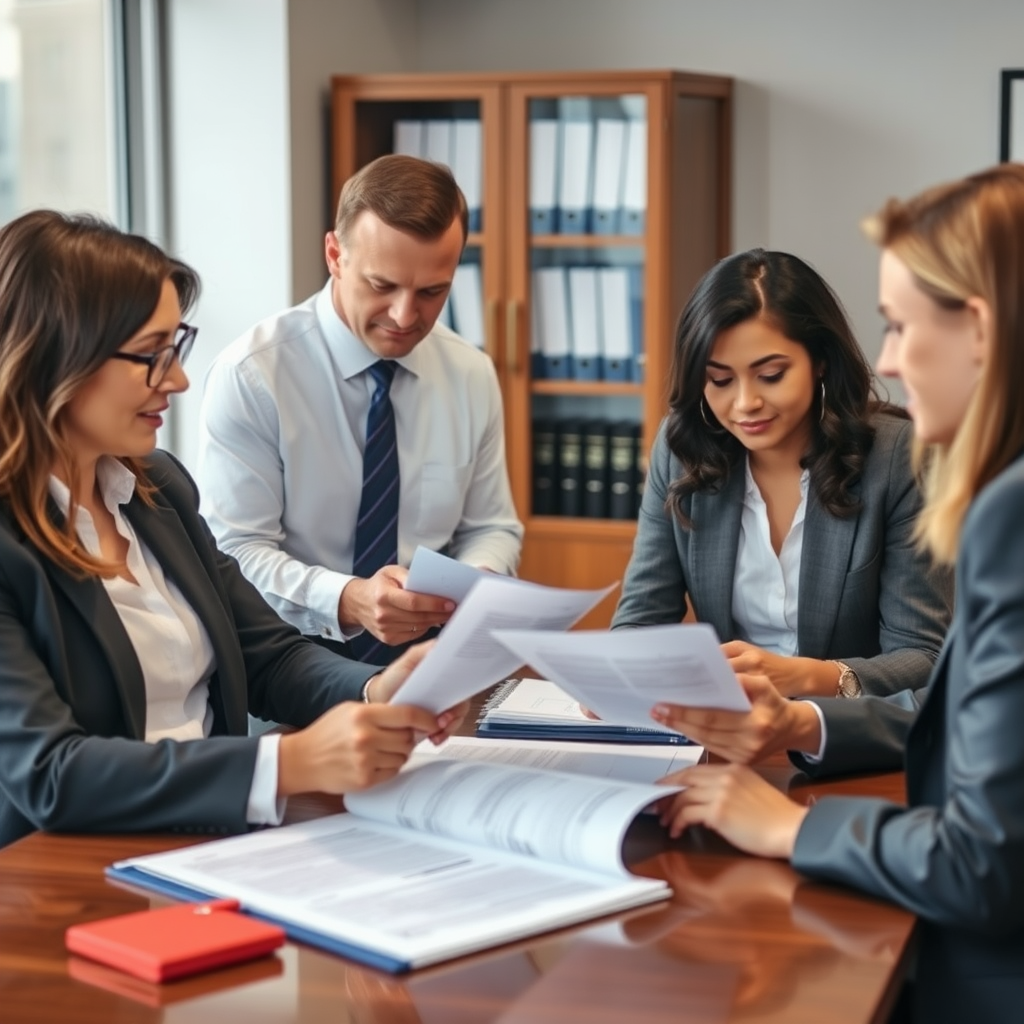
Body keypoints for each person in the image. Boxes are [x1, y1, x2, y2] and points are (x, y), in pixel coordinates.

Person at [654, 164, 1024, 1021]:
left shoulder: (1002, 512)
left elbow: (983, 863)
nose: (888, 357)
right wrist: (801, 727)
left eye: (899, 325)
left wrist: (791, 828)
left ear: (976, 328)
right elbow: (960, 717)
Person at [0, 209, 467, 850]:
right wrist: (288, 764)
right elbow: (51, 775)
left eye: (177, 347)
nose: (179, 379)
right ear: (59, 357)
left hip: (211, 844)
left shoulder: (156, 490)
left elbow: (267, 655)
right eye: (151, 356)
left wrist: (375, 688)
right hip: (66, 873)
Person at [197, 154, 523, 666]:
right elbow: (232, 554)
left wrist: (480, 577)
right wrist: (349, 600)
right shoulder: (254, 375)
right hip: (289, 666)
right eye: (382, 285)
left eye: (432, 292)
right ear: (334, 254)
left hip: (435, 665)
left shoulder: (469, 372)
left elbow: (490, 526)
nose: (404, 315)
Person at [611, 248, 952, 697]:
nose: (745, 403)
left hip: (845, 741)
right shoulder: (682, 450)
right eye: (719, 380)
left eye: (770, 375)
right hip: (730, 730)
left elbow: (925, 657)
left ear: (820, 362)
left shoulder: (898, 457)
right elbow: (640, 623)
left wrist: (812, 677)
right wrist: (618, 679)